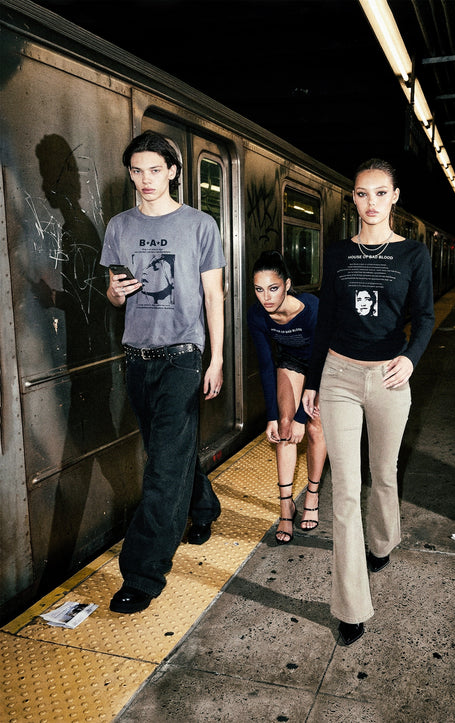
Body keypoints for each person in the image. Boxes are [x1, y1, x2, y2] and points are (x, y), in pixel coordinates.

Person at [303, 159, 434, 645]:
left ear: (395, 197)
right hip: (339, 374)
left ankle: (382, 540)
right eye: (362, 194)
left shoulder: (413, 254)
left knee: (383, 472)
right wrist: (313, 380)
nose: (371, 202)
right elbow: (326, 320)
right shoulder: (338, 253)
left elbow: (425, 317)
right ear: (353, 198)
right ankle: (351, 606)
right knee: (344, 490)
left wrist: (411, 360)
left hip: (389, 378)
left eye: (380, 193)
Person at [100, 130, 226, 613]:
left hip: (182, 357)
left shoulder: (200, 225)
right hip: (137, 356)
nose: (146, 179)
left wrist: (215, 358)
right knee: (166, 454)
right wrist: (117, 292)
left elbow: (213, 296)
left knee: (162, 468)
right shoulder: (119, 226)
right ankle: (203, 506)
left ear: (173, 171)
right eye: (137, 171)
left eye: (155, 170)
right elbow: (113, 294)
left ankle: (142, 574)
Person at [248, 250, 327, 544]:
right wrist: (272, 415)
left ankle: (312, 495)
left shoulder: (313, 309)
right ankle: (286, 507)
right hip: (290, 361)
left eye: (273, 288)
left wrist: (302, 417)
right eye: (259, 289)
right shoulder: (257, 314)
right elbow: (266, 365)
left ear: (287, 284)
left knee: (314, 427)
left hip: (322, 366)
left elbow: (320, 359)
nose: (266, 297)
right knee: (284, 427)